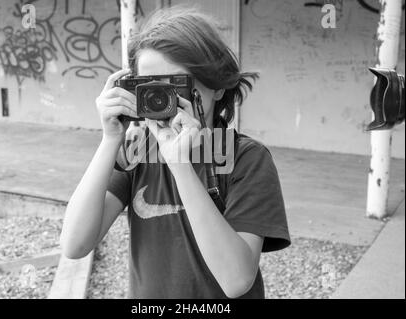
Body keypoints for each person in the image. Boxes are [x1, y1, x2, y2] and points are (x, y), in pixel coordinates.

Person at [60, 6, 290, 299]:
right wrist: (110, 140)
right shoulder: (138, 149)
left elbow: (236, 280)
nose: (163, 98)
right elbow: (75, 245)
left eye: (177, 84)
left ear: (218, 86)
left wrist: (181, 166)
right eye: (151, 86)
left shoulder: (246, 158)